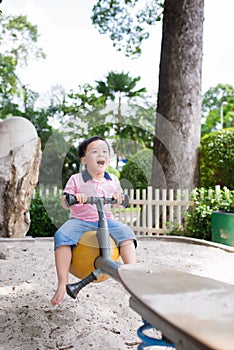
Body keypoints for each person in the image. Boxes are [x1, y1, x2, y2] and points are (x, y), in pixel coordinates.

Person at [51, 136, 137, 306]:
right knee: (61, 236)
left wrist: (119, 199)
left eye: (105, 151)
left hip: (105, 220)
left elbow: (121, 204)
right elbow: (64, 200)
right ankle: (62, 283)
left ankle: (133, 275)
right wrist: (75, 197)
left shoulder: (112, 180)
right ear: (84, 160)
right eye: (95, 151)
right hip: (80, 220)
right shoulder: (76, 179)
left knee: (126, 234)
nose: (101, 154)